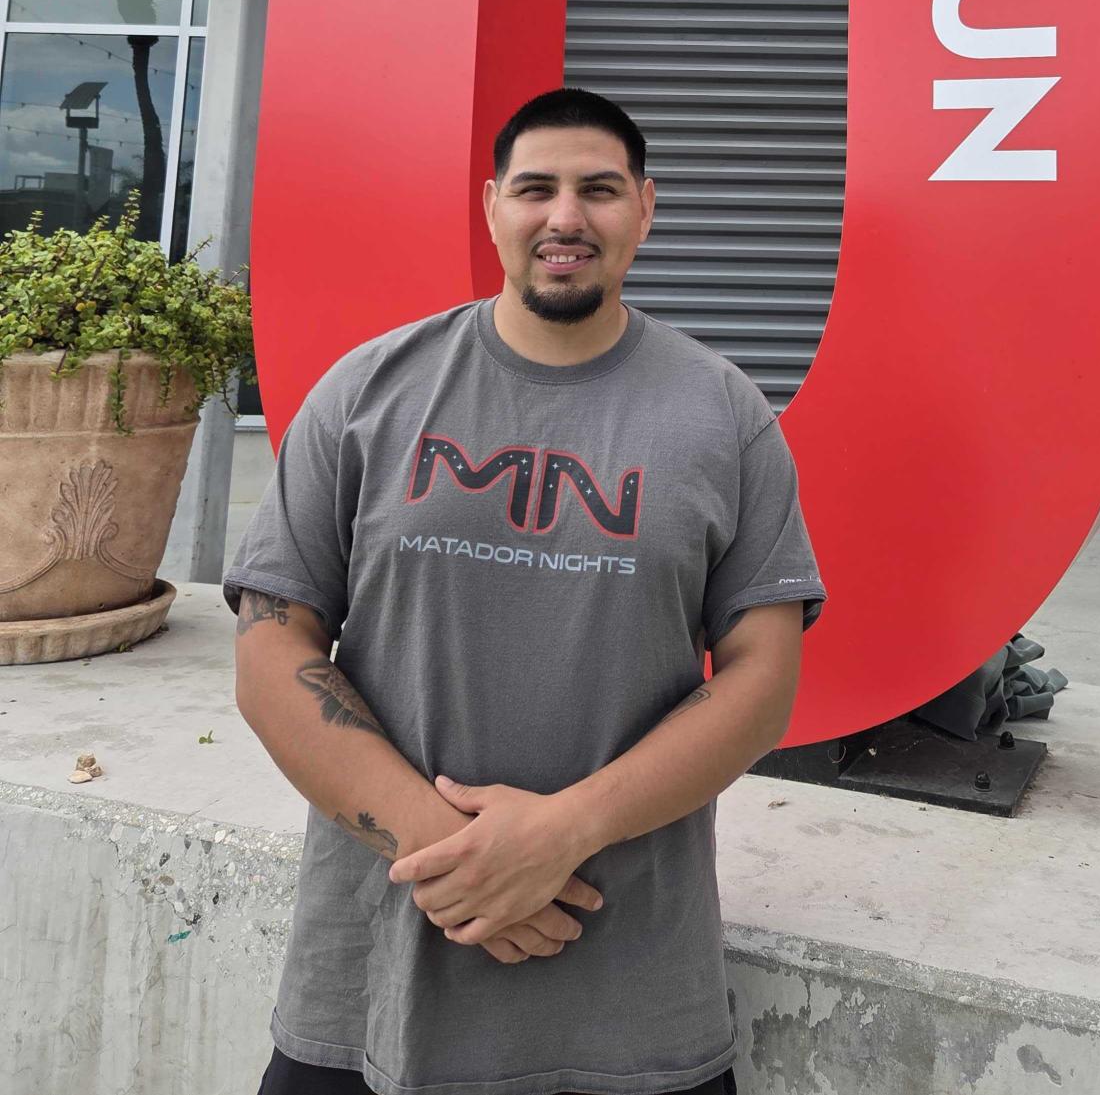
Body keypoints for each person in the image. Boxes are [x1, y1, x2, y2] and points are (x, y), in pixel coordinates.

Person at [226, 86, 827, 1095]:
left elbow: (763, 676)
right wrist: (453, 859)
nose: (565, 216)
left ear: (645, 206)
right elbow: (268, 647)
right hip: (375, 984)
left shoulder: (723, 415)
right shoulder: (368, 392)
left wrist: (564, 833)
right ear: (492, 204)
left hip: (631, 1001)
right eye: (536, 188)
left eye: (598, 189)